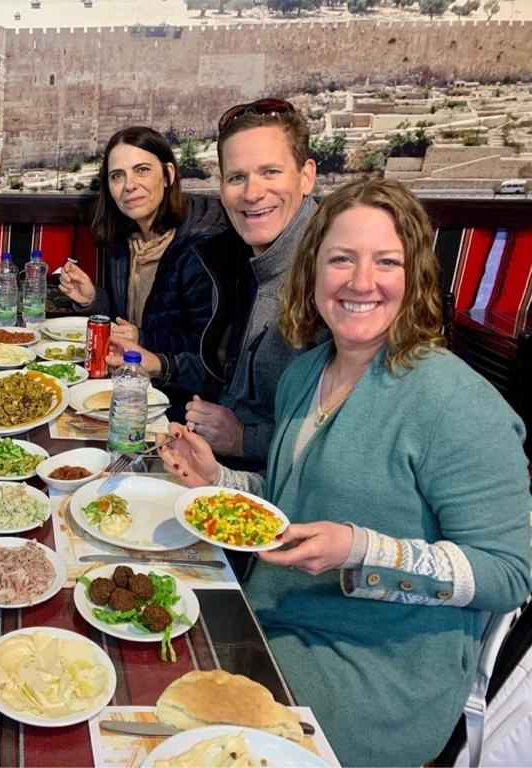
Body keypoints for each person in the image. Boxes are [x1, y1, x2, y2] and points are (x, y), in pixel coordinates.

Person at [159, 178, 532, 766]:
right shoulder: (306, 373)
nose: (361, 282)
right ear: (312, 271)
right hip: (270, 616)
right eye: (340, 259)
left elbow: (508, 573)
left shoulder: (459, 403)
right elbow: (296, 504)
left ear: (415, 277)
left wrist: (362, 551)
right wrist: (218, 482)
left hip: (375, 674)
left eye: (386, 261)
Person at [105, 100, 318, 470]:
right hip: (215, 460)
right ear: (221, 187)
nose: (252, 193)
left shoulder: (334, 274)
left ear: (306, 176)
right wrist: (161, 366)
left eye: (270, 172)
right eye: (237, 178)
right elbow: (222, 374)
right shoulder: (244, 261)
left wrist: (242, 438)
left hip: (274, 486)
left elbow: (350, 442)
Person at [58, 126, 227, 409]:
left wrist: (142, 338)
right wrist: (92, 300)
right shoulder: (125, 240)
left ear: (168, 175)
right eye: (117, 176)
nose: (129, 185)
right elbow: (127, 322)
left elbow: (213, 353)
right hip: (131, 388)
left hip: (182, 404)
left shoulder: (202, 246)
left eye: (142, 170)